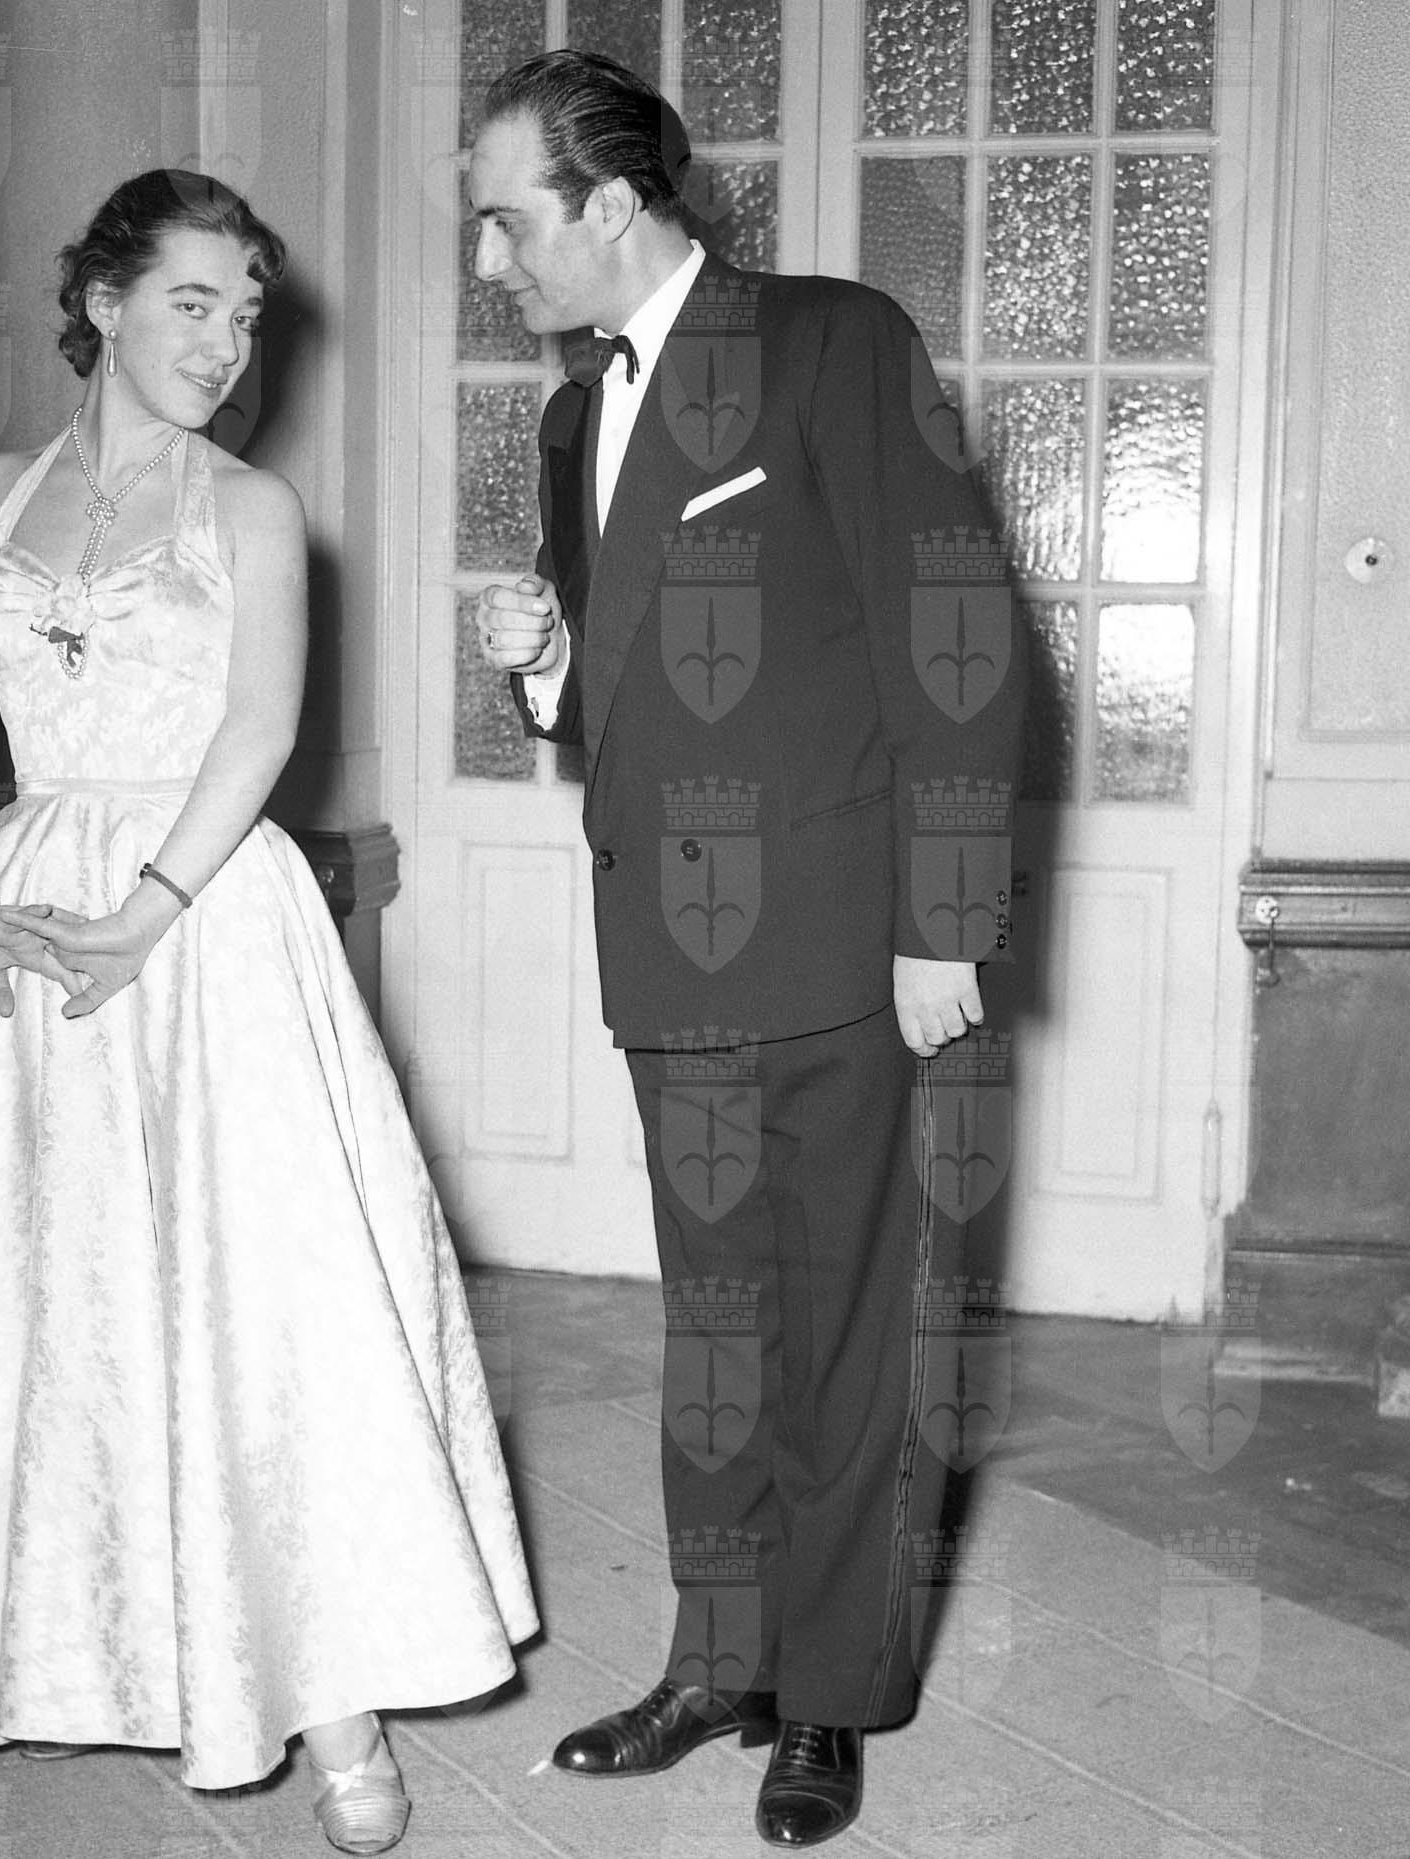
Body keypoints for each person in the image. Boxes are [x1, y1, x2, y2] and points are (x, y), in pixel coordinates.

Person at [0, 169, 537, 1857]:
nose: (226, 344)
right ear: (104, 302)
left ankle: (335, 1701)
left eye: (247, 315)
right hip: (19, 919)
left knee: (259, 1297)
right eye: (194, 304)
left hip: (200, 918)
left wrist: (144, 915)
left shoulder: (254, 509)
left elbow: (260, 729)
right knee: (46, 1296)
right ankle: (67, 1636)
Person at [469, 53, 1024, 1849]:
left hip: (854, 946)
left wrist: (944, 925)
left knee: (856, 1338)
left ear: (611, 203)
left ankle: (831, 1698)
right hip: (674, 955)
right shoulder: (576, 422)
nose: (490, 260)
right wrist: (546, 668)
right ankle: (722, 1661)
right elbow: (625, 712)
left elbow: (959, 636)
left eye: (508, 221)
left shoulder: (832, 342)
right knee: (717, 1331)